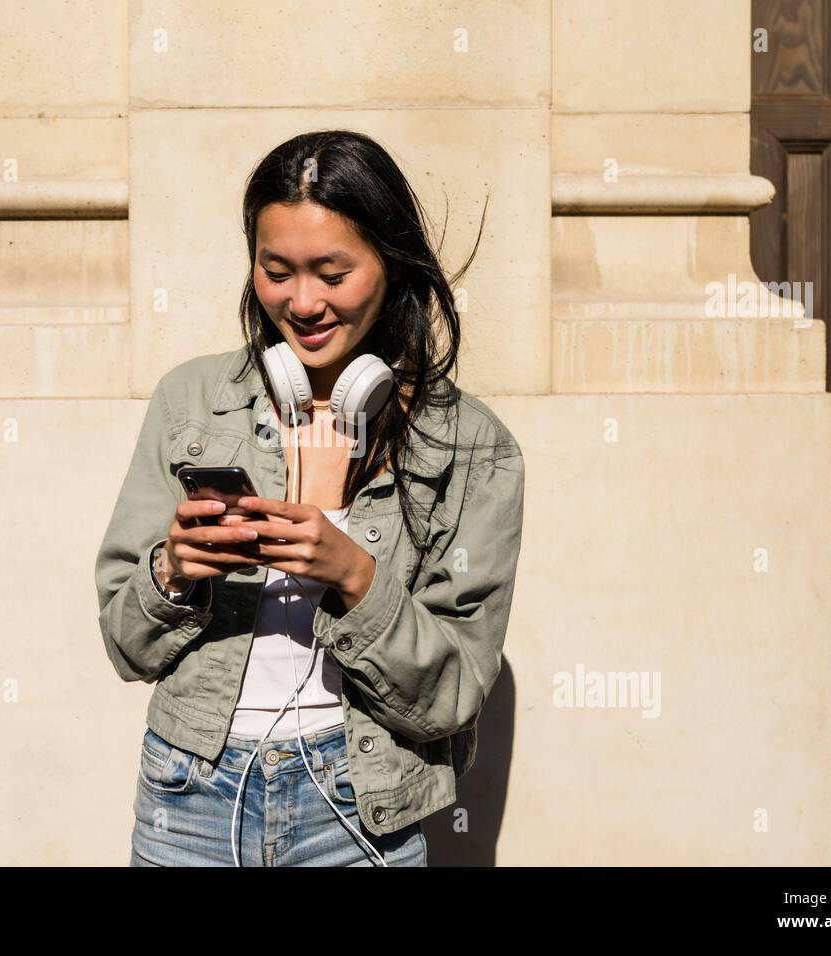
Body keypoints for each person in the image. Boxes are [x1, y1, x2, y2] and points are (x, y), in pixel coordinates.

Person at [95, 129, 525, 866]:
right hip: (189, 791)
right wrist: (174, 573)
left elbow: (452, 695)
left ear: (390, 264)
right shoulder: (192, 404)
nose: (303, 302)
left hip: (358, 808)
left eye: (333, 272)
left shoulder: (472, 447)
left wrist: (355, 575)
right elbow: (126, 646)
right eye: (277, 270)